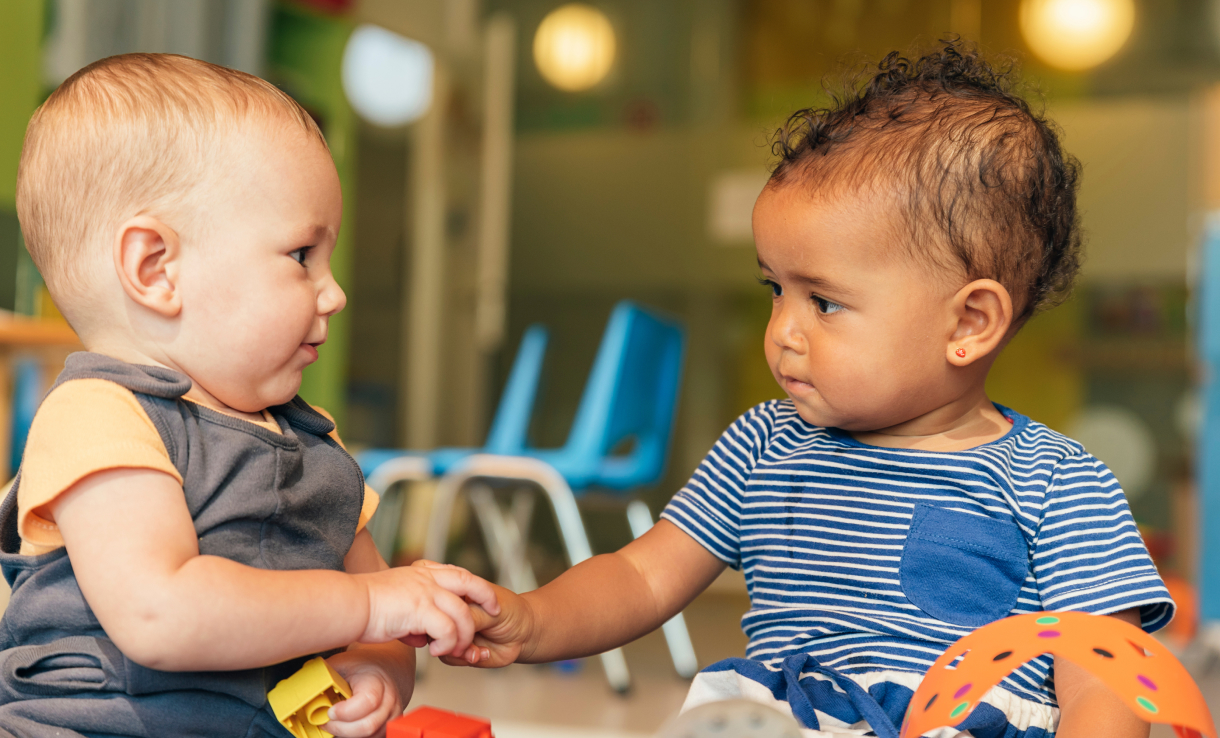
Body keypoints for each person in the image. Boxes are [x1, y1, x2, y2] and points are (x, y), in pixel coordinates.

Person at [453, 43, 1173, 738]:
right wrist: (534, 618)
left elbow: (1103, 670)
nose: (783, 333)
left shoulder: (1057, 483)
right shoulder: (765, 445)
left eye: (823, 302)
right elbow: (641, 578)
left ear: (970, 322)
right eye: (774, 289)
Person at [0, 54, 496, 738]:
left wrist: (378, 669)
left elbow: (378, 617)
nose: (335, 292)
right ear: (155, 269)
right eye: (300, 256)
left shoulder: (315, 445)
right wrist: (365, 606)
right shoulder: (100, 416)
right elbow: (160, 613)